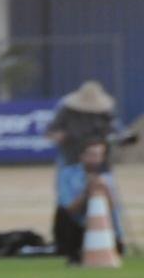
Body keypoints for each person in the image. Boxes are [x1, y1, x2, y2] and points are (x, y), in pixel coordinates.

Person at [46, 80, 125, 254]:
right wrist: (59, 136)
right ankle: (68, 240)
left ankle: (117, 239)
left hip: (100, 162)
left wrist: (116, 139)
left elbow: (116, 131)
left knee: (108, 196)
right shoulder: (67, 110)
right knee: (67, 199)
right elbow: (51, 131)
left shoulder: (105, 112)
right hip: (71, 160)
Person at [54, 140, 120, 264]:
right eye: (91, 155)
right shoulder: (68, 174)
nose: (95, 159)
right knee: (61, 212)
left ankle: (114, 243)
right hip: (76, 226)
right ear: (82, 156)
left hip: (103, 230)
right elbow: (69, 208)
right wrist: (87, 191)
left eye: (99, 155)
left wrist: (106, 190)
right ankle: (71, 251)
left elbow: (113, 209)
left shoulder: (106, 177)